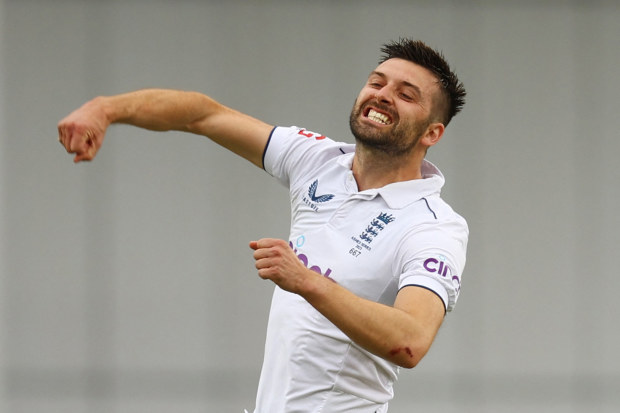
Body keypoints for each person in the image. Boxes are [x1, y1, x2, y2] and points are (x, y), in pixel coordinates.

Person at [58, 38, 468, 413]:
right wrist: (106, 108)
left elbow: (411, 340)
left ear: (432, 132)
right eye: (377, 82)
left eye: (405, 94)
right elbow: (202, 115)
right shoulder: (318, 160)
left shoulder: (434, 226)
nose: (382, 95)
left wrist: (307, 281)